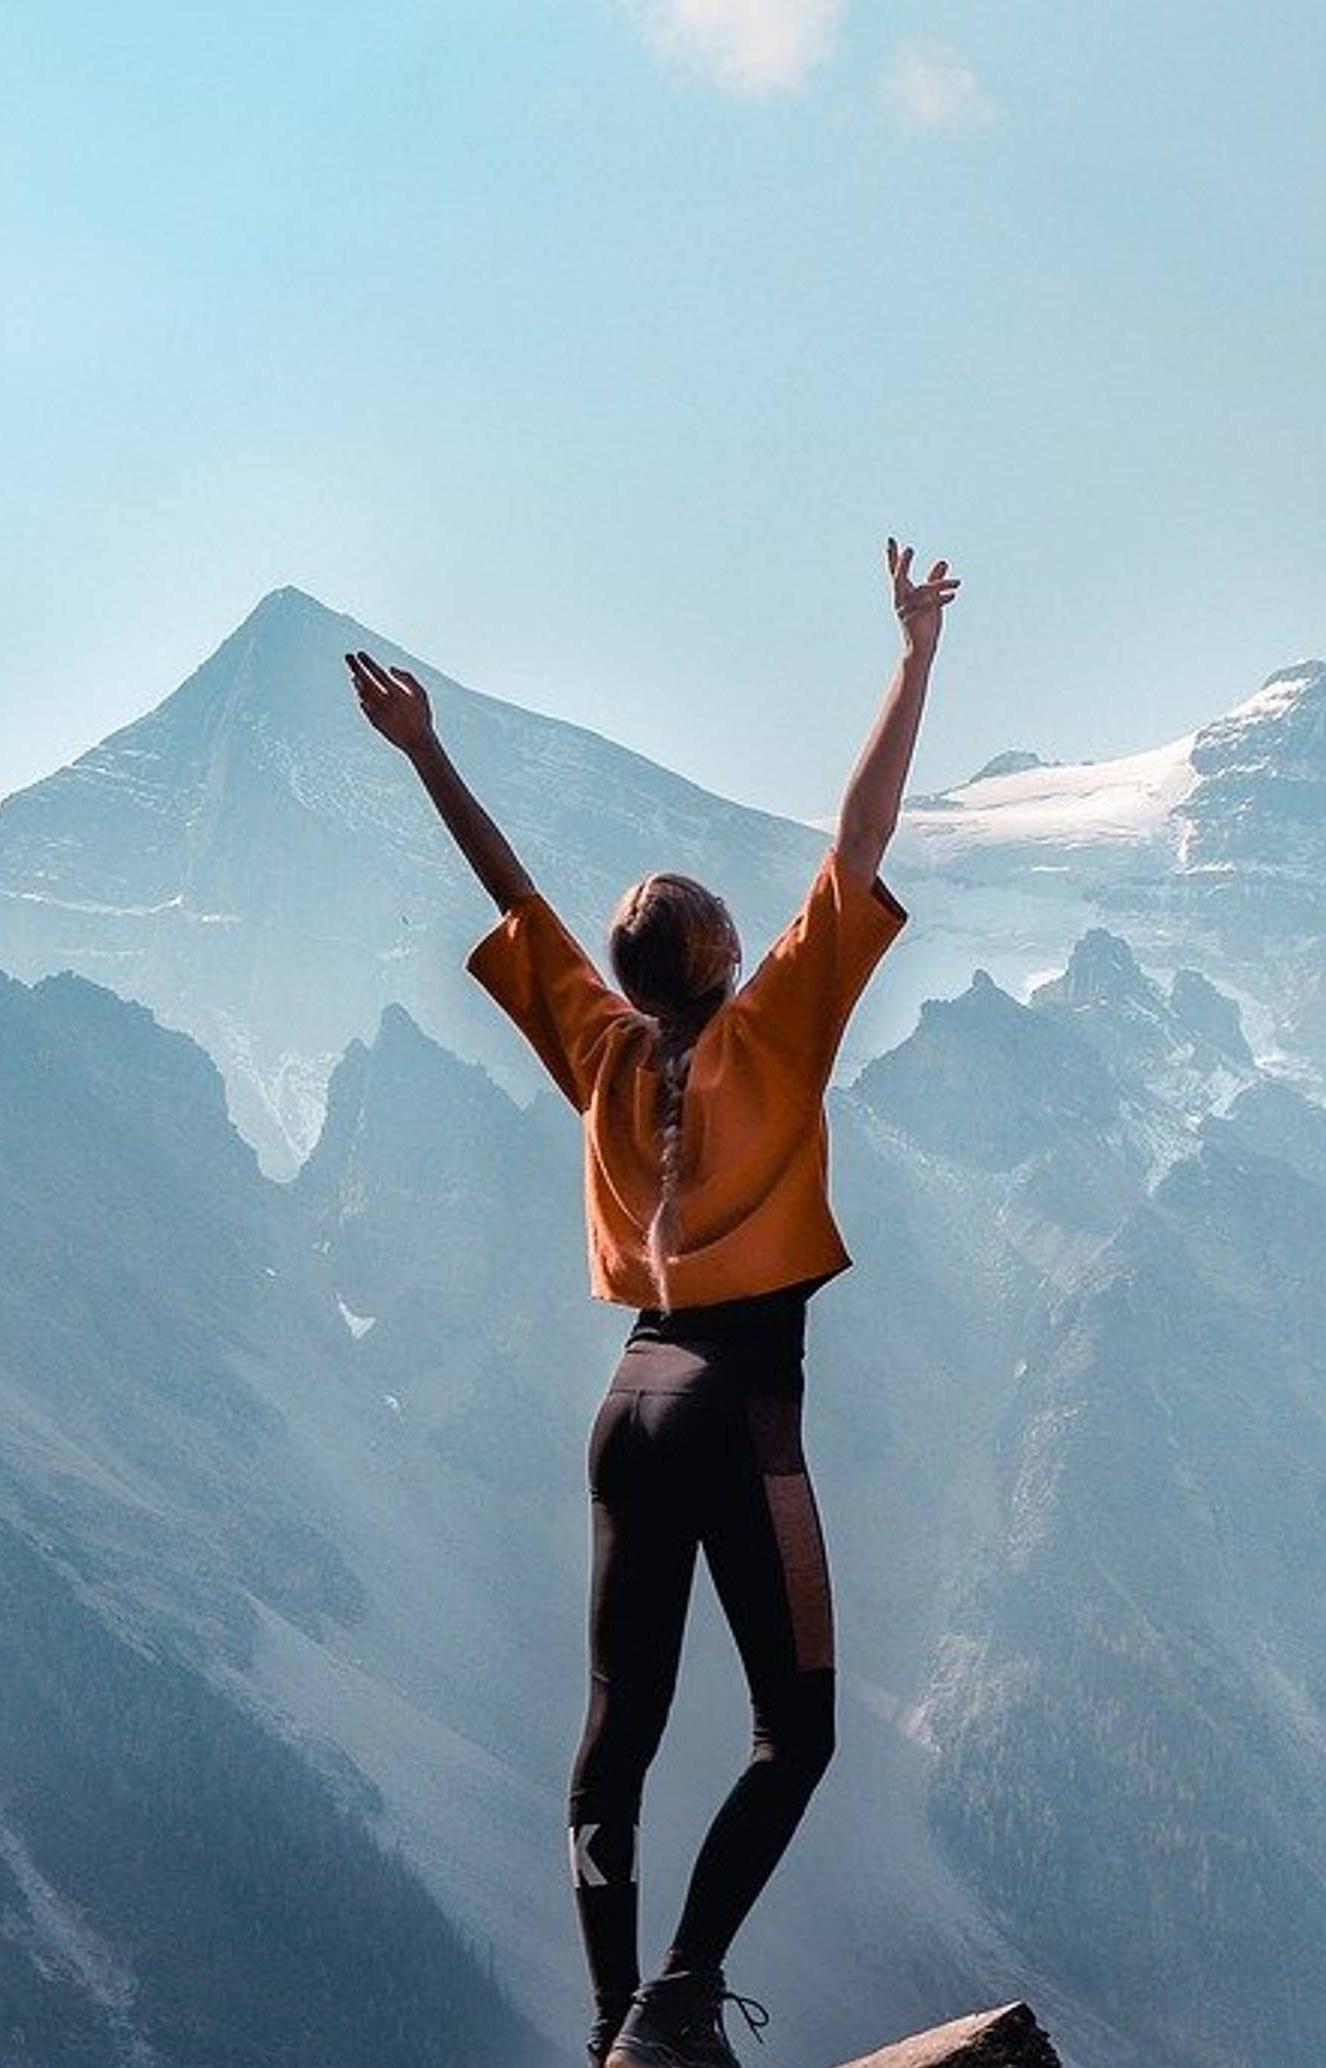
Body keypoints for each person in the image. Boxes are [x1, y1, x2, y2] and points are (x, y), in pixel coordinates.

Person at [348, 540, 957, 2068]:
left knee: (618, 1728)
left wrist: (429, 753)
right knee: (794, 1733)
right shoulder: (777, 1034)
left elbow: (512, 892)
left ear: (629, 976)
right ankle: (684, 1998)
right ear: (734, 960)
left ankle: (613, 2023)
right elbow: (864, 830)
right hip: (740, 1398)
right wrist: (913, 654)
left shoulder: (601, 1055)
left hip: (625, 1400)